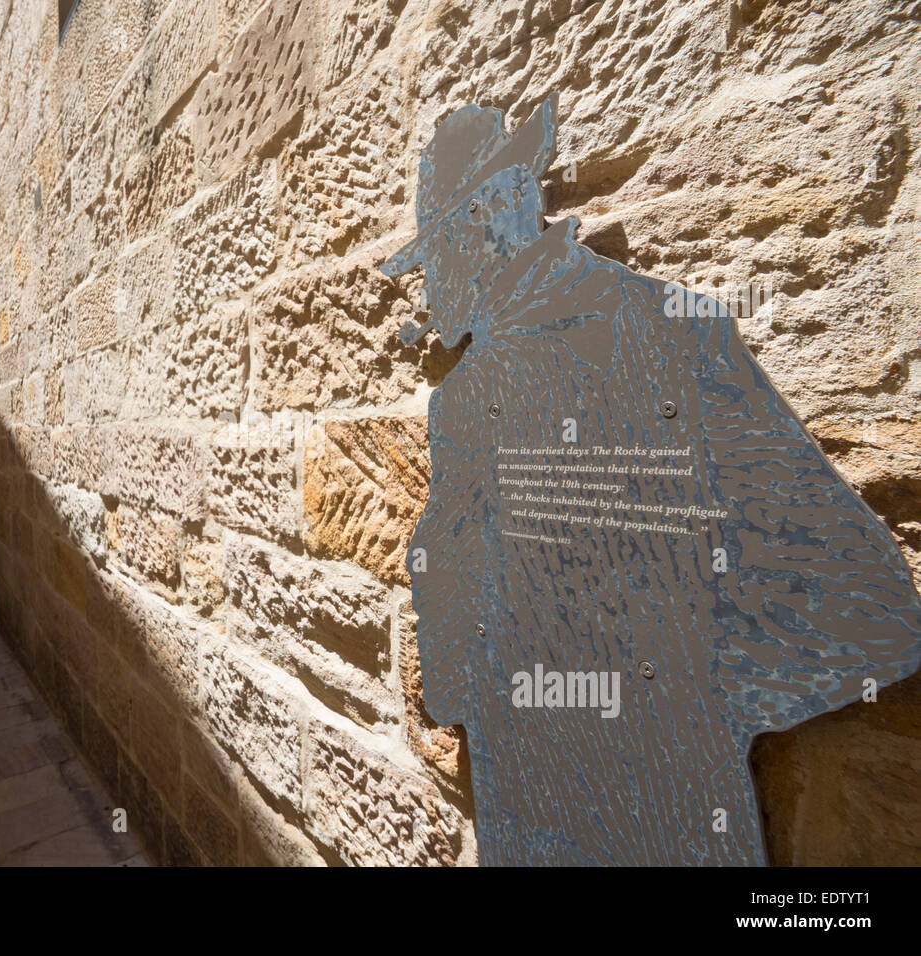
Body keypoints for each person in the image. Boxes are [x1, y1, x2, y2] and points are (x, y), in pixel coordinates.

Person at [383, 95, 921, 865]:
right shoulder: (464, 399)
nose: (428, 287)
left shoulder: (675, 337)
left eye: (436, 252)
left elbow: (871, 608)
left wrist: (680, 703)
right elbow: (449, 647)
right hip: (521, 818)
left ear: (499, 211)